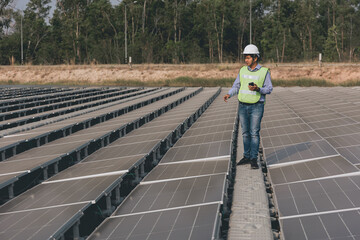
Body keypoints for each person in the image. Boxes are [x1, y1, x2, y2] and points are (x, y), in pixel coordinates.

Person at [223, 44, 273, 169]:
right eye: (245, 57)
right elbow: (237, 86)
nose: (246, 60)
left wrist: (258, 89)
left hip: (257, 106)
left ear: (255, 58)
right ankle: (246, 156)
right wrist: (229, 94)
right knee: (245, 133)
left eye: (248, 57)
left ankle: (253, 159)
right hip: (243, 106)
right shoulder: (242, 70)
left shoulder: (264, 72)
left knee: (254, 133)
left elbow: (269, 89)